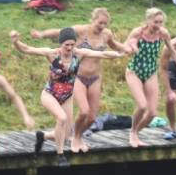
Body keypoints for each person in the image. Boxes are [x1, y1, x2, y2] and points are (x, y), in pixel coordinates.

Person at [10, 28, 121, 166]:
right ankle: (60, 155)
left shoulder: (79, 54)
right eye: (66, 45)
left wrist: (119, 54)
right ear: (60, 43)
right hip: (50, 94)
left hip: (67, 97)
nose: (69, 48)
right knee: (61, 118)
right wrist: (16, 42)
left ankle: (43, 136)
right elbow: (26, 49)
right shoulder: (52, 54)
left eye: (72, 44)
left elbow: (102, 54)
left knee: (67, 133)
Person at [31, 8, 128, 153]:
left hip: (95, 78)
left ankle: (77, 136)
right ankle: (75, 138)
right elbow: (60, 32)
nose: (102, 26)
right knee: (83, 112)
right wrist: (41, 34)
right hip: (78, 78)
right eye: (99, 23)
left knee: (92, 117)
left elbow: (115, 45)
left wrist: (126, 48)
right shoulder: (80, 31)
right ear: (92, 20)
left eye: (105, 24)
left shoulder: (106, 34)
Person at [124, 8, 176, 148]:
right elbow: (125, 46)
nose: (158, 25)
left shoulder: (163, 33)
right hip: (134, 71)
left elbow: (173, 52)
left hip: (150, 72)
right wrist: (132, 47)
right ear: (148, 20)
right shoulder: (138, 32)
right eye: (155, 22)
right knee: (142, 105)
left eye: (161, 22)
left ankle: (135, 132)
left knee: (152, 113)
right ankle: (133, 133)